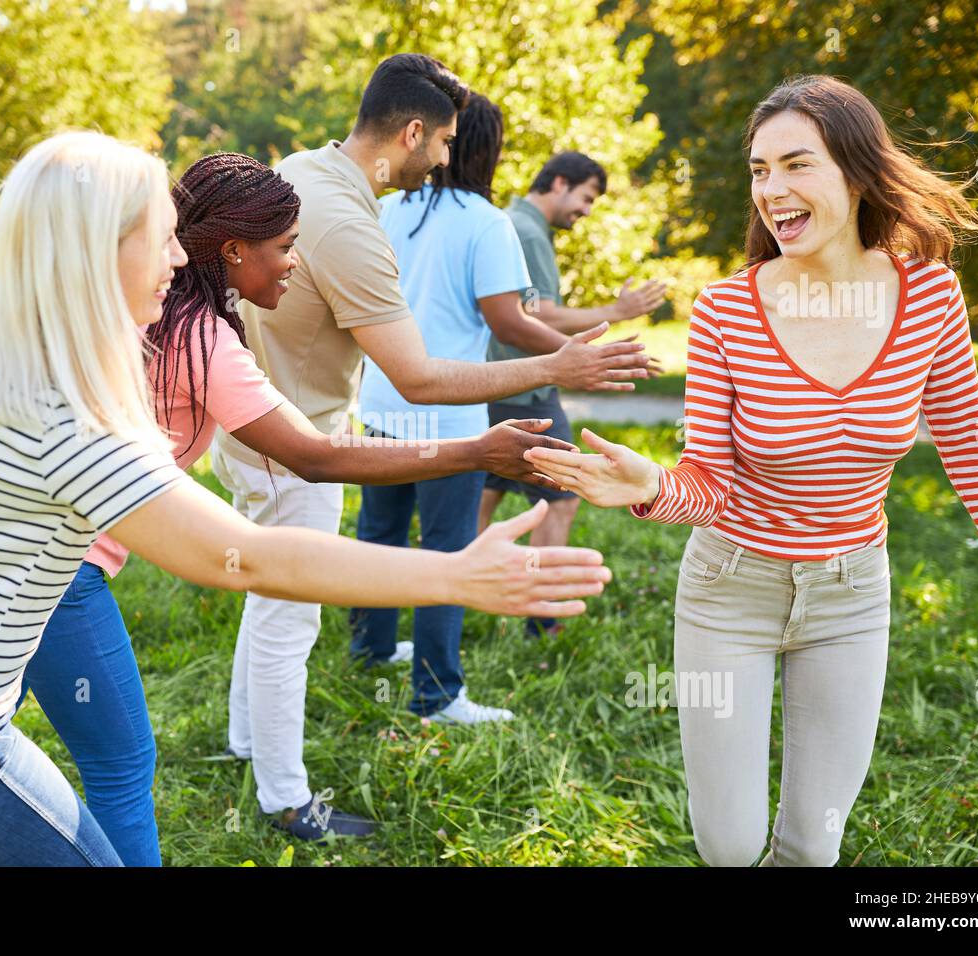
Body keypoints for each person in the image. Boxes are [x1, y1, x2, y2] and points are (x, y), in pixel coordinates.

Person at [0, 130, 612, 866]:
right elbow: (242, 555)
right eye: (162, 238)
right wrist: (454, 576)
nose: (176, 255)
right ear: (97, 250)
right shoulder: (79, 417)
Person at [523, 75, 978, 867]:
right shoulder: (727, 309)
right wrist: (654, 487)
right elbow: (710, 483)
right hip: (731, 589)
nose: (772, 190)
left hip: (852, 594)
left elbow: (972, 458)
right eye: (760, 170)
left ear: (857, 173)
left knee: (812, 848)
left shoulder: (928, 294)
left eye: (797, 165)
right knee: (728, 847)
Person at [211, 53, 655, 839]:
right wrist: (558, 362)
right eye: (444, 141)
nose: (450, 158)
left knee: (268, 596)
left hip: (253, 426)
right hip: (297, 444)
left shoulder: (303, 170)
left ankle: (245, 742)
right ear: (412, 133)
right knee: (290, 623)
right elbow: (416, 377)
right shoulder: (350, 222)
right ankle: (284, 800)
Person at [349, 94, 659, 723]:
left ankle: (372, 649)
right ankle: (437, 696)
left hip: (382, 402)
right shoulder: (484, 220)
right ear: (483, 147)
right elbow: (509, 321)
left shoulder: (386, 208)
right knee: (448, 550)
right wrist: (578, 358)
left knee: (380, 532)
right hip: (450, 413)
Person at [479, 150, 668, 639]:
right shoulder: (526, 231)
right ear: (560, 182)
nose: (585, 212)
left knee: (485, 491)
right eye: (585, 198)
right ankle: (541, 619)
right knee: (562, 496)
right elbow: (537, 313)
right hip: (525, 386)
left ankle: (462, 598)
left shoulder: (514, 223)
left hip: (499, 378)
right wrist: (618, 310)